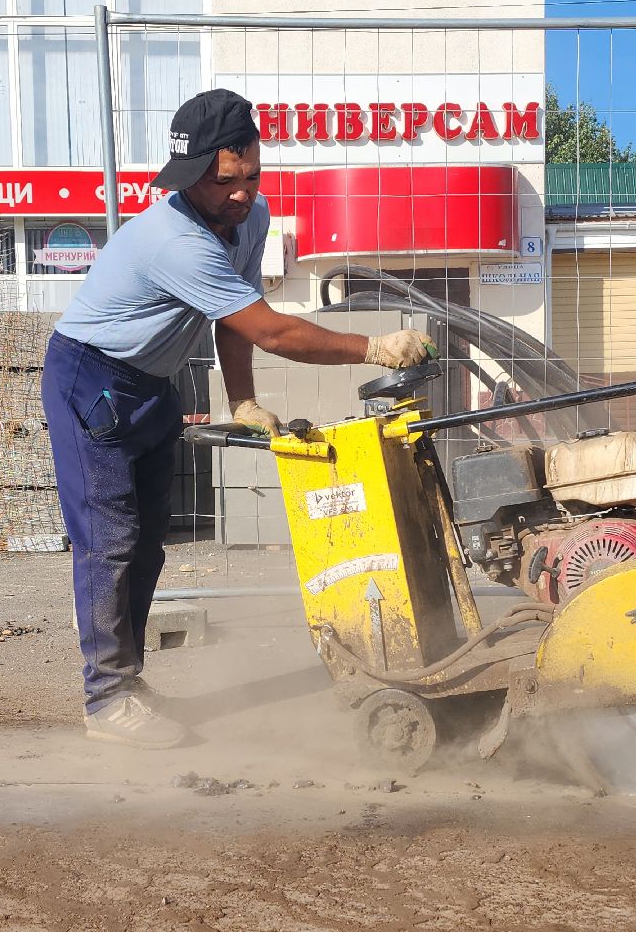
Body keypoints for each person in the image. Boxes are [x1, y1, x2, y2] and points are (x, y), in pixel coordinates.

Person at [41, 88, 435, 749]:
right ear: (190, 174)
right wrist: (371, 347)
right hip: (92, 378)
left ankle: (125, 682)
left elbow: (237, 317)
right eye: (224, 182)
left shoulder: (250, 221)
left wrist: (241, 399)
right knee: (108, 540)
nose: (241, 194)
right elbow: (273, 330)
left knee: (147, 546)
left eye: (251, 176)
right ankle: (105, 698)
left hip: (152, 380)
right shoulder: (173, 241)